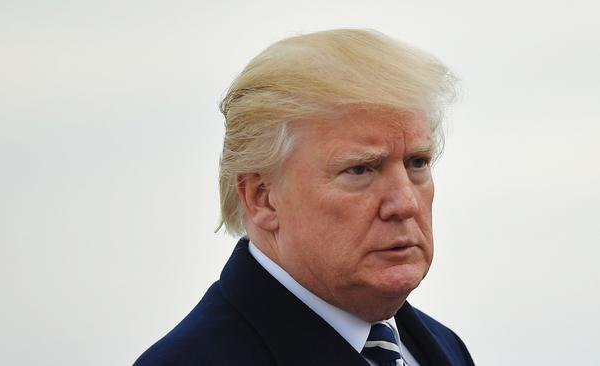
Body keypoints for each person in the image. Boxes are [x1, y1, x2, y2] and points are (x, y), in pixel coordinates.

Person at [134, 29, 475, 366]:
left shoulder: (442, 347)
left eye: (417, 162)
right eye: (360, 169)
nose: (405, 204)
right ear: (263, 198)